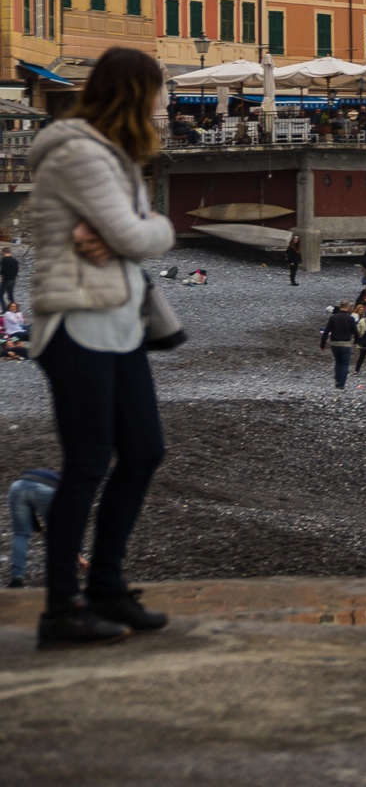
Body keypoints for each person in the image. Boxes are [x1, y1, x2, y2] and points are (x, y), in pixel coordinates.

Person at [24, 45, 179, 647]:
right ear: (135, 90)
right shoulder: (78, 153)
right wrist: (143, 234)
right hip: (75, 325)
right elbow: (135, 234)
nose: (166, 99)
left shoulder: (113, 155)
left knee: (143, 451)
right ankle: (61, 608)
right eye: (160, 87)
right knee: (88, 464)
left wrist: (130, 236)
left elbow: (128, 236)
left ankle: (107, 588)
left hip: (117, 323)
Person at [8, 466, 59, 587]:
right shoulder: (66, 482)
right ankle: (56, 575)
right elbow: (65, 526)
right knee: (58, 533)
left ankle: (17, 578)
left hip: (17, 486)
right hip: (46, 490)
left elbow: (30, 513)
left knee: (20, 534)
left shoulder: (42, 472)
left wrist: (40, 530)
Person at [321, 303, 358, 389]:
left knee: (338, 362)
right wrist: (356, 342)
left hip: (335, 343)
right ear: (348, 307)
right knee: (345, 364)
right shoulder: (351, 318)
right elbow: (356, 332)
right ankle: (341, 384)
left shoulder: (333, 317)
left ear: (340, 306)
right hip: (346, 344)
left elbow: (326, 332)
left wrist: (322, 344)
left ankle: (337, 380)